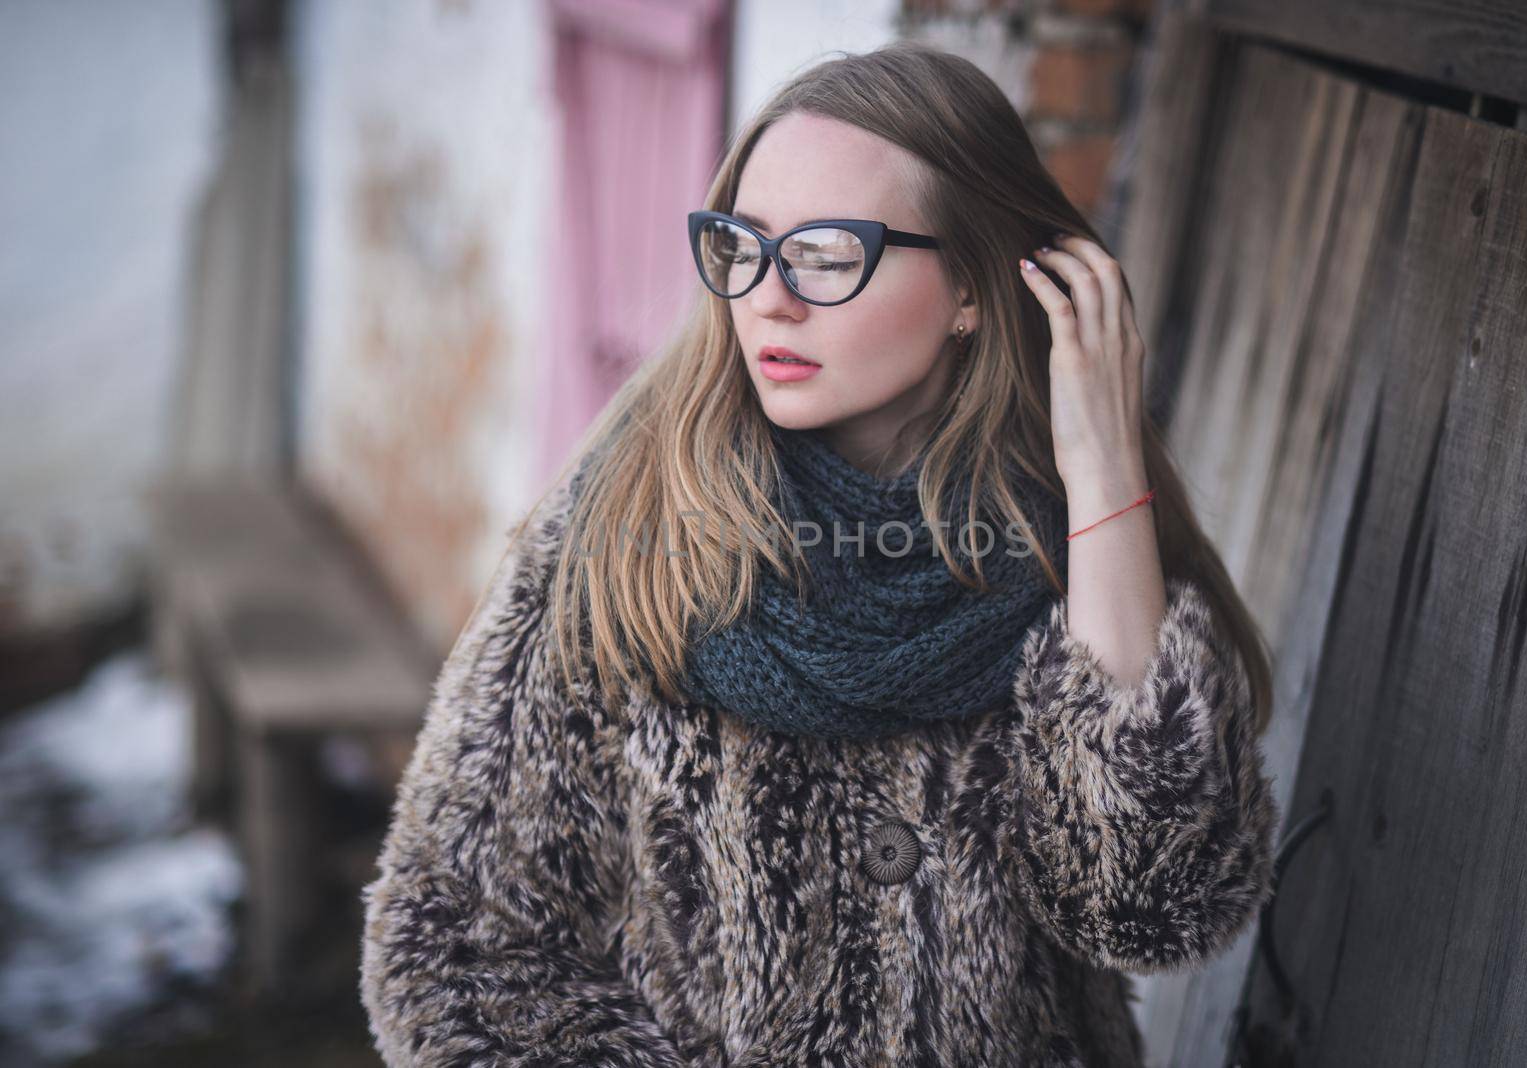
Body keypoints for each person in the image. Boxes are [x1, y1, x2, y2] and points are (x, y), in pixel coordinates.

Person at [360, 40, 1280, 1067]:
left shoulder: (1077, 550)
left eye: (829, 255)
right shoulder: (626, 530)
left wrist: (1104, 477)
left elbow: (1152, 909)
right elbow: (457, 945)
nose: (768, 299)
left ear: (972, 288)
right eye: (743, 246)